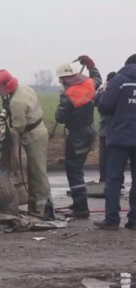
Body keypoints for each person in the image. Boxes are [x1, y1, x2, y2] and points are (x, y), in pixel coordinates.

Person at [0, 69, 53, 218]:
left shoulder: (16, 102)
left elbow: (18, 127)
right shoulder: (25, 89)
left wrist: (1, 130)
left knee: (37, 173)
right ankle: (36, 206)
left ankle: (43, 209)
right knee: (35, 172)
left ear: (6, 87)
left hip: (33, 135)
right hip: (39, 130)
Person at [55, 55, 102, 218]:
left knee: (74, 170)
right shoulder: (89, 84)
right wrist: (91, 65)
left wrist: (61, 102)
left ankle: (81, 208)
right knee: (78, 168)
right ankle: (78, 203)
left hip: (76, 134)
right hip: (89, 131)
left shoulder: (68, 95)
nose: (60, 81)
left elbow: (59, 118)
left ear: (66, 78)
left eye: (61, 79)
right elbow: (97, 78)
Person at [94, 54, 136, 230]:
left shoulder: (119, 80)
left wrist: (102, 93)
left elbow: (105, 107)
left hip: (119, 138)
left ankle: (112, 219)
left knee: (113, 179)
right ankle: (134, 220)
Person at [94, 72, 117, 182]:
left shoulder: (116, 91)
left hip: (111, 130)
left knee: (110, 156)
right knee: (105, 157)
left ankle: (110, 179)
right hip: (108, 130)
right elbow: (95, 101)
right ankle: (104, 179)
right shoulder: (103, 92)